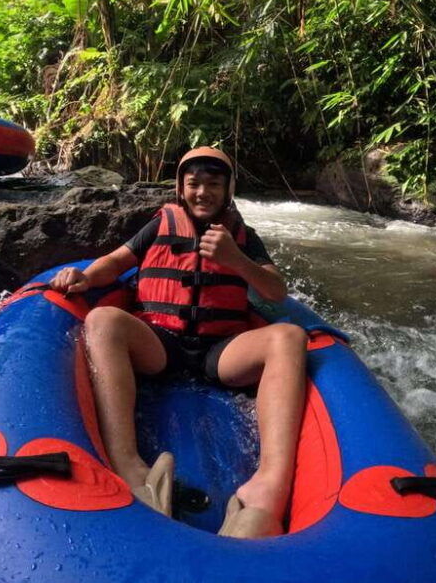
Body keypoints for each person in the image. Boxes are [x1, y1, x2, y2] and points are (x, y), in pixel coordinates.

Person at [50, 147, 307, 539]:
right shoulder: (160, 224)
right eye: (194, 184)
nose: (203, 192)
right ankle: (129, 464)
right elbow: (117, 262)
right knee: (103, 319)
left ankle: (267, 489)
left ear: (228, 190)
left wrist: (236, 259)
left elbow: (274, 292)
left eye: (214, 184)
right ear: (180, 188)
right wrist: (85, 277)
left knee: (289, 337)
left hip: (219, 351)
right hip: (161, 343)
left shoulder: (243, 238)